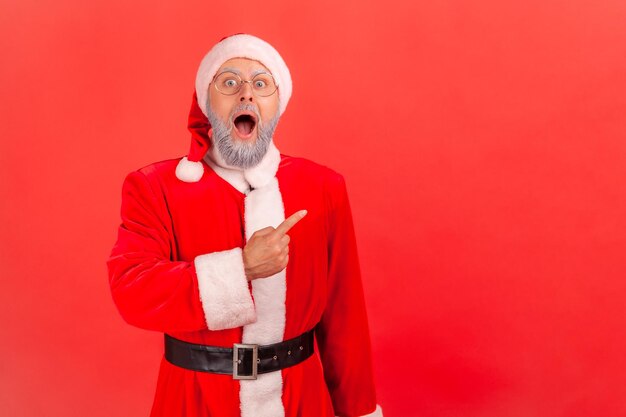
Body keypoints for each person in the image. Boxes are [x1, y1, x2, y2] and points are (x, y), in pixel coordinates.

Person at [107, 33, 383, 417]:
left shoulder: (323, 187)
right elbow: (131, 291)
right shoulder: (154, 187)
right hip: (194, 399)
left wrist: (358, 410)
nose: (246, 95)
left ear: (278, 103)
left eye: (261, 84)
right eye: (230, 82)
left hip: (301, 398)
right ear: (207, 101)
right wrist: (242, 269)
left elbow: (344, 318)